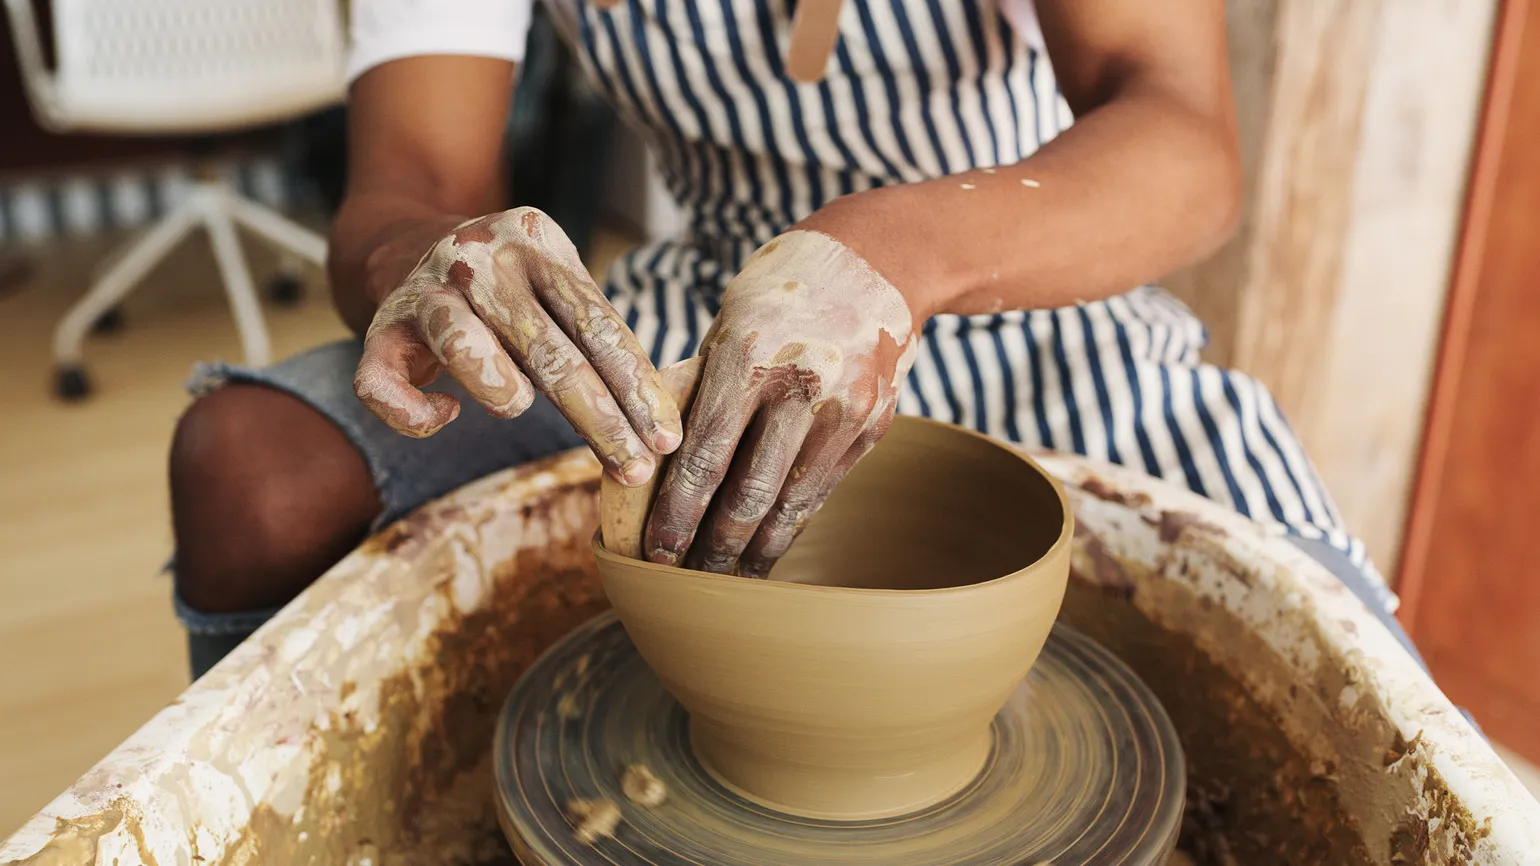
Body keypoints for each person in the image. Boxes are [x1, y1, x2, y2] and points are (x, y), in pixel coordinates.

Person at [168, 0, 1412, 678]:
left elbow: (1184, 133)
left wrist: (895, 254)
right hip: (701, 304)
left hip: (1028, 285)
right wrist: (418, 261)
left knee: (1339, 668)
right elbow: (406, 179)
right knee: (250, 464)